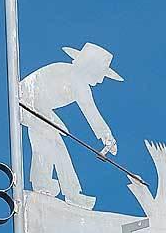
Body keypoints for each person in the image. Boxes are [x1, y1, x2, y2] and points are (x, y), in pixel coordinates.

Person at [20, 42, 123, 210]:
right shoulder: (77, 80)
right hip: (27, 103)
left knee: (55, 141)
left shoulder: (68, 72)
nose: (101, 79)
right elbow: (90, 110)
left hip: (34, 104)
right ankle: (47, 186)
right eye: (100, 74)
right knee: (49, 140)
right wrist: (107, 137)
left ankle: (64, 190)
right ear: (90, 69)